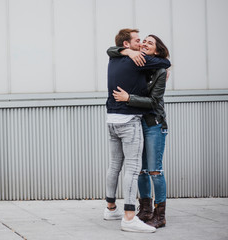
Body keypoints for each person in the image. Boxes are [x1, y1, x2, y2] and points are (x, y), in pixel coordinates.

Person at [103, 29, 171, 233]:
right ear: (127, 45)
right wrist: (126, 52)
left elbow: (155, 101)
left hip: (152, 122)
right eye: (140, 41)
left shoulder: (157, 68)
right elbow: (111, 50)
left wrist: (129, 99)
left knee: (154, 170)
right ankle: (144, 210)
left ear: (157, 50)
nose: (143, 44)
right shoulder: (136, 60)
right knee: (139, 169)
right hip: (135, 121)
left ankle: (159, 214)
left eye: (148, 42)